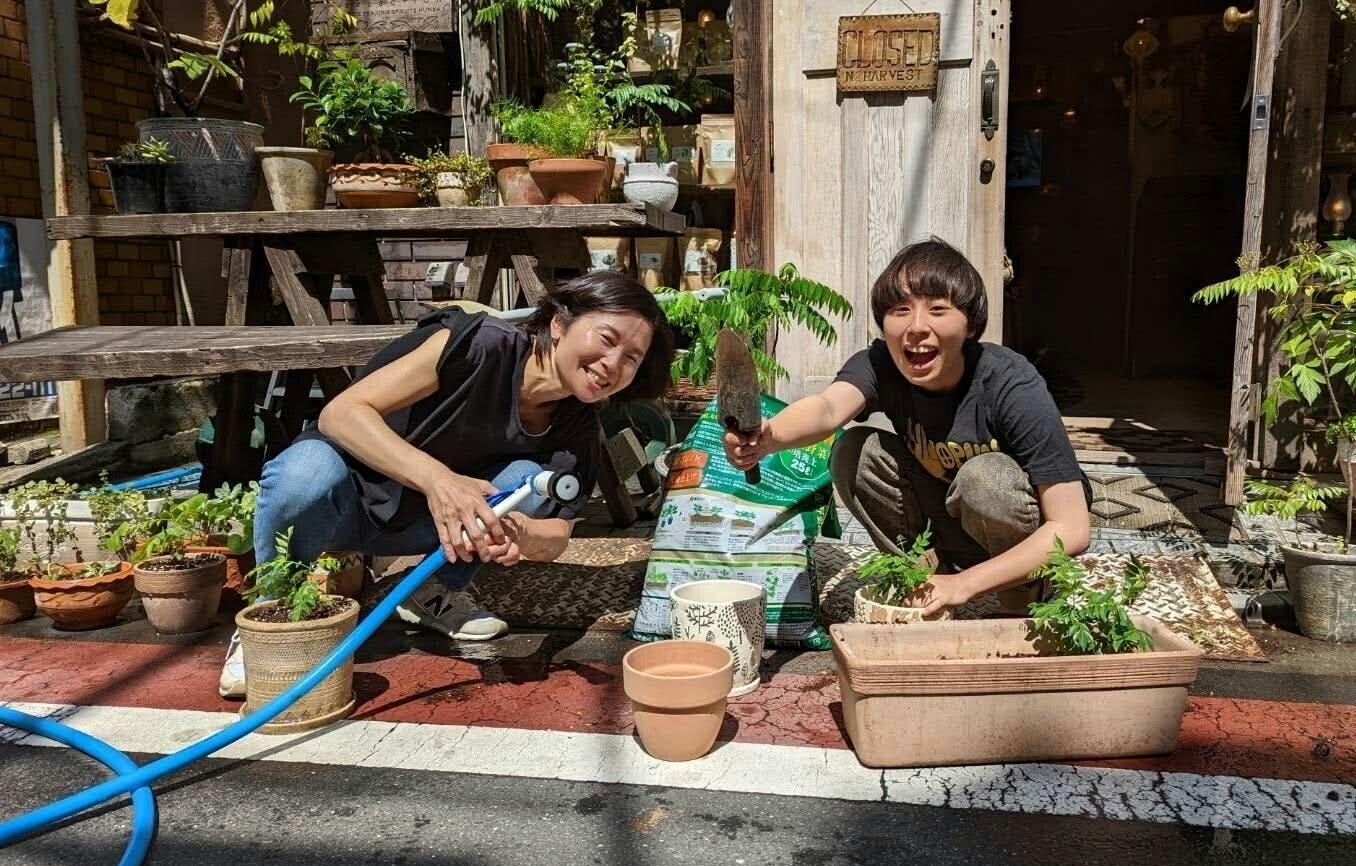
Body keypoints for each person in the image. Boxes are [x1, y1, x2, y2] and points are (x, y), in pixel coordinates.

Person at [219, 272, 674, 698]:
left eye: (631, 358)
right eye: (606, 339)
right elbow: (340, 413)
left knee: (529, 483)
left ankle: (430, 590)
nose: (612, 364)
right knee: (304, 473)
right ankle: (267, 619)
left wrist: (518, 533)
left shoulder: (577, 428)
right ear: (559, 324)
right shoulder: (479, 345)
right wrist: (438, 480)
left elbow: (556, 535)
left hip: (429, 529)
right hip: (346, 496)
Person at [724, 238, 1090, 618]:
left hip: (1020, 539)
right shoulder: (881, 364)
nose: (917, 327)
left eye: (937, 309)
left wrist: (966, 585)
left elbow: (1073, 526)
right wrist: (768, 437)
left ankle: (1024, 597)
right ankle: (929, 585)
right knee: (854, 451)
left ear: (969, 324)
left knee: (985, 477)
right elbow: (830, 406)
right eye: (901, 310)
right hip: (947, 525)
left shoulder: (1011, 383)